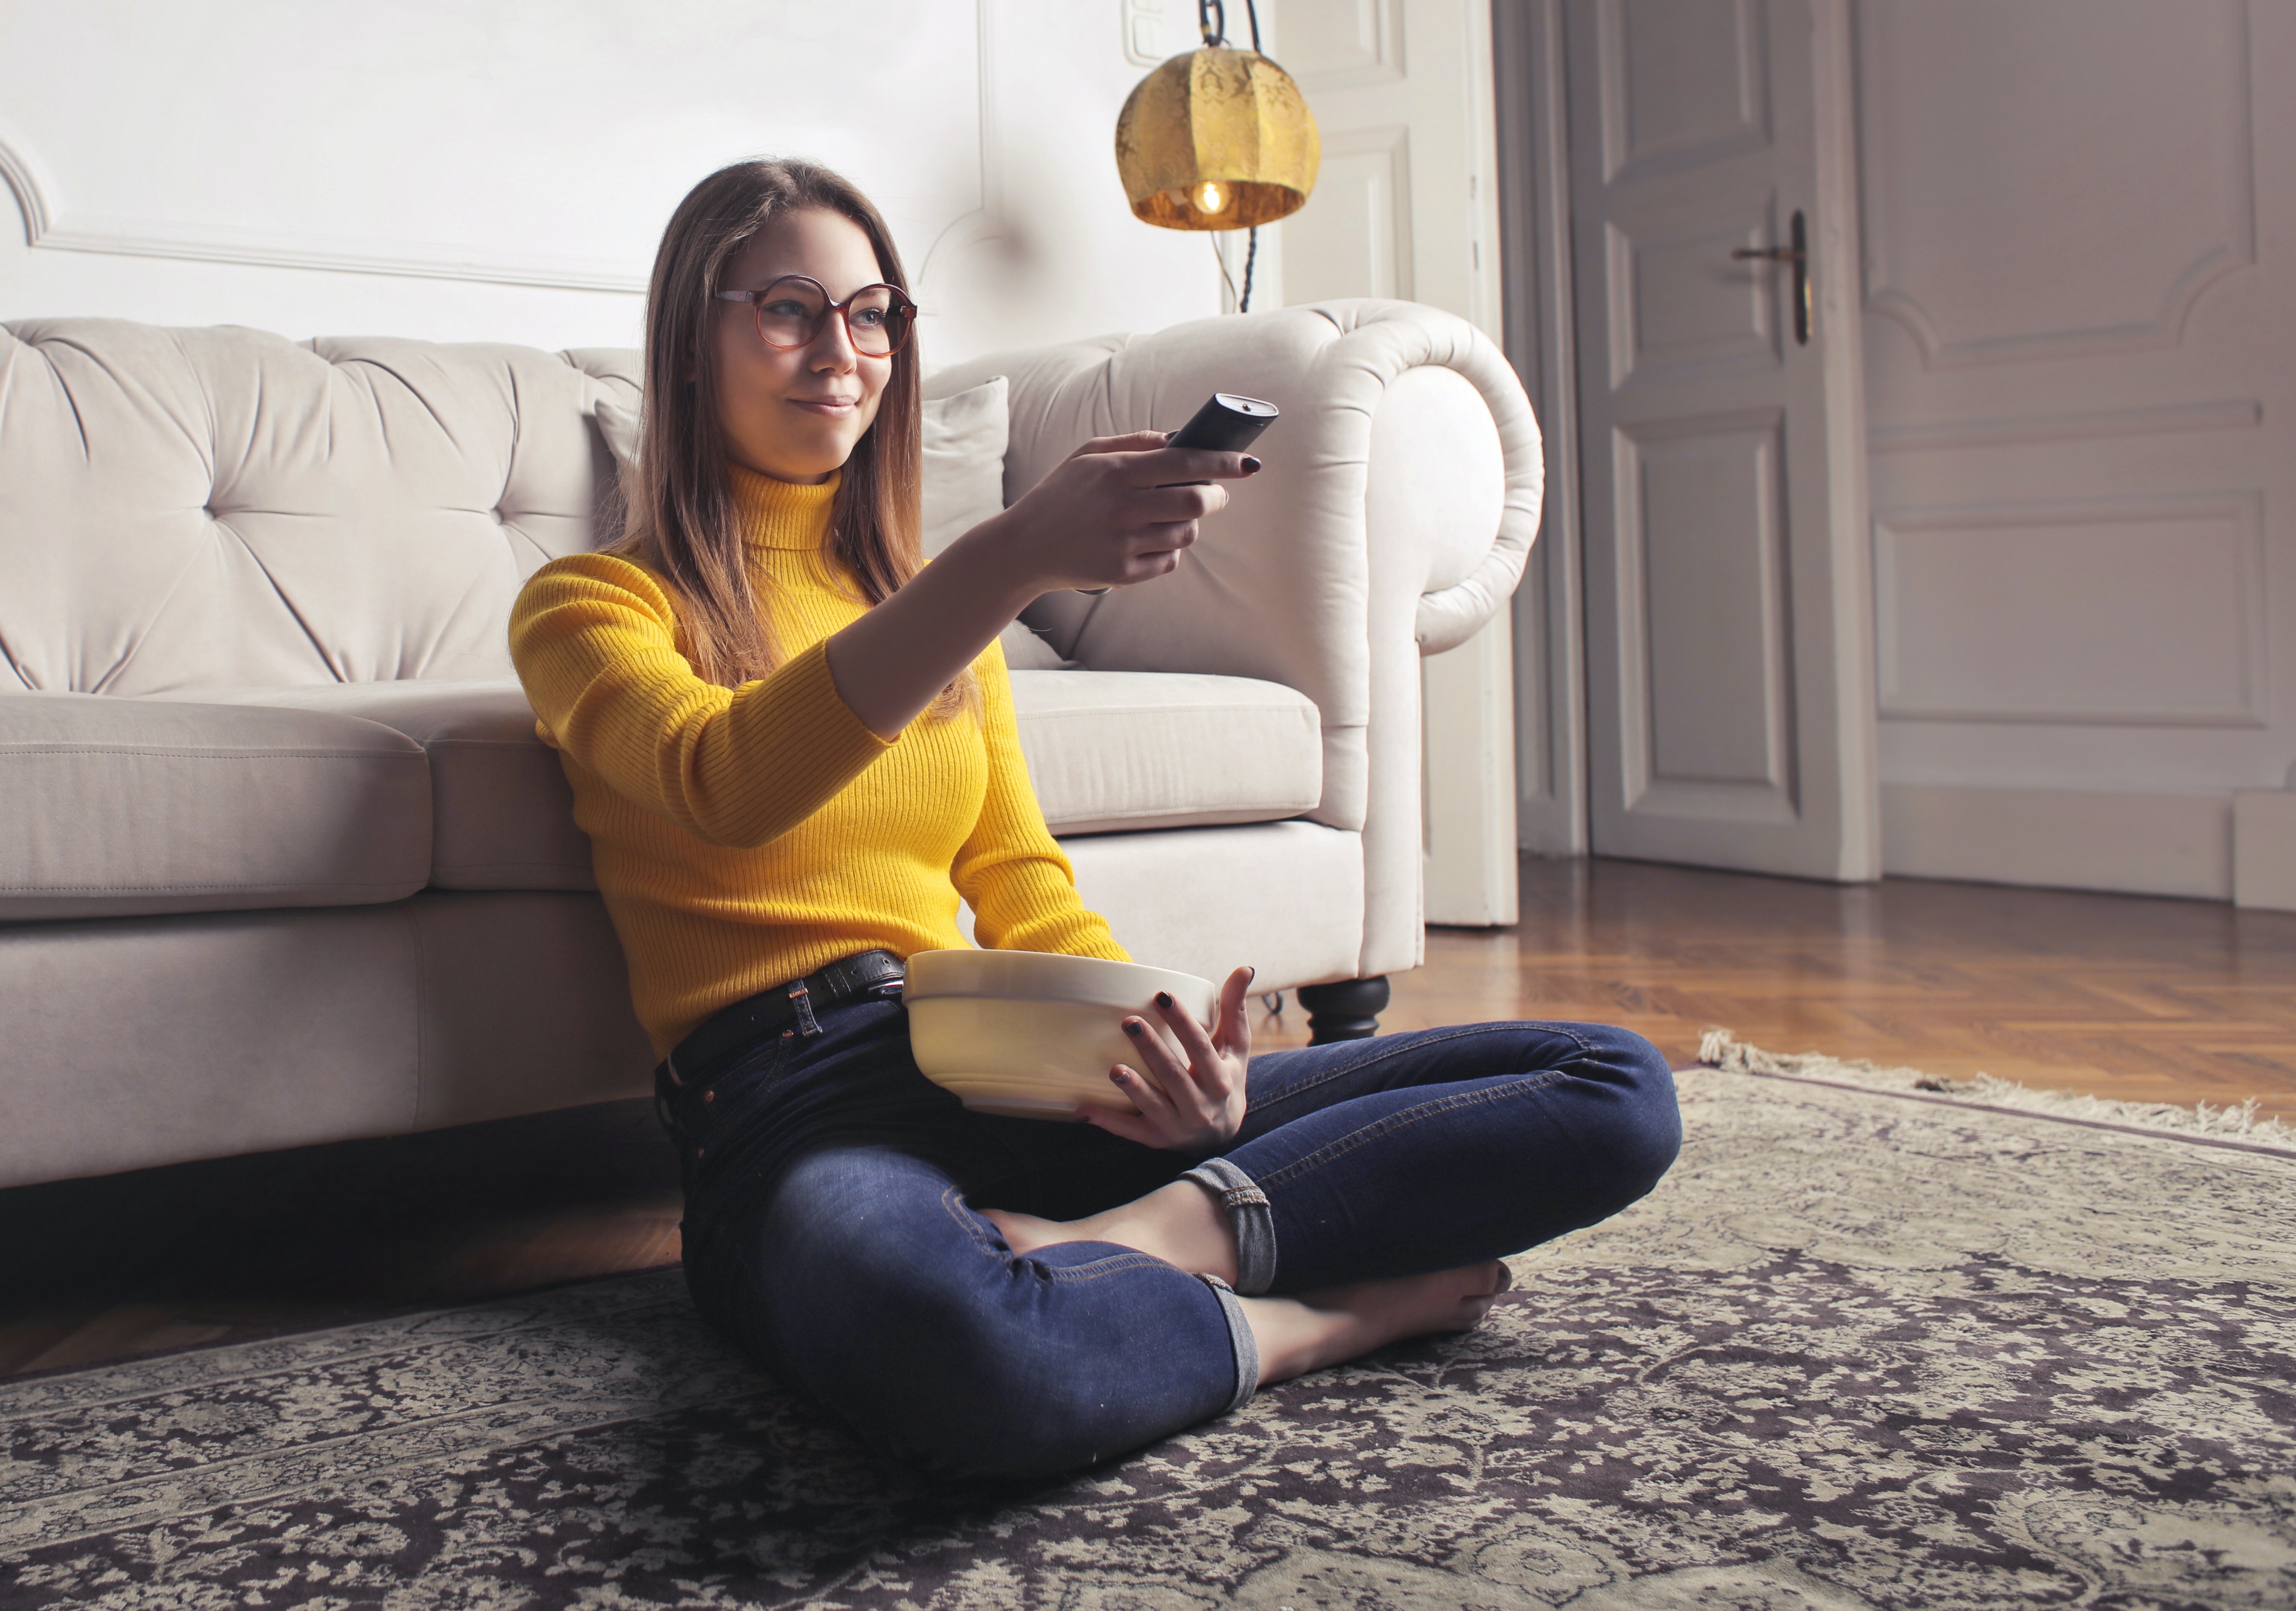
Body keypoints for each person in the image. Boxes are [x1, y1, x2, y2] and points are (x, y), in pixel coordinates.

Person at [508, 158, 1680, 1480]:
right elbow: (726, 783)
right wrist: (1008, 553)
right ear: (688, 339)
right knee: (961, 1346)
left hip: (993, 1051)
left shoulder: (946, 636)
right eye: (788, 307)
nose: (842, 351)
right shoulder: (591, 607)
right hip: (786, 1117)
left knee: (1614, 1085)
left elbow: (1025, 886)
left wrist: (1168, 1060)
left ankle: (1165, 1236)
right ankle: (1305, 1318)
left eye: (873, 311)